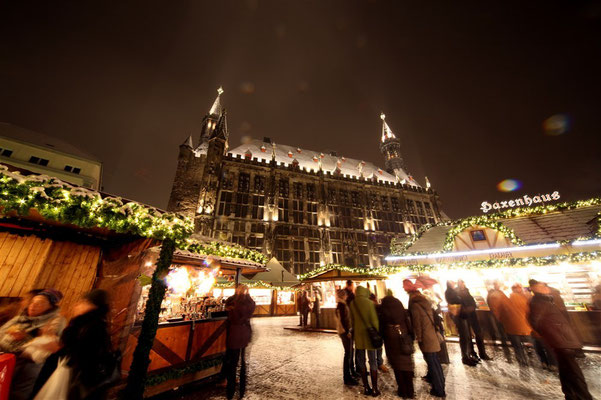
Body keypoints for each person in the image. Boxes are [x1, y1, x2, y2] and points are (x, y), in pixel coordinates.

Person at [32, 289, 118, 400]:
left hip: (74, 382)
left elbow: (86, 356)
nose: (77, 305)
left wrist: (59, 349)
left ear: (93, 306)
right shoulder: (82, 324)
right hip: (67, 377)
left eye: (83, 302)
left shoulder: (94, 327)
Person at [528, 281, 593, 400]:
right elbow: (535, 322)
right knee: (574, 372)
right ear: (537, 289)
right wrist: (554, 333)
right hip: (561, 341)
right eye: (544, 286)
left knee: (566, 371)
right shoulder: (538, 302)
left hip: (562, 340)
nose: (547, 288)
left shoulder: (546, 301)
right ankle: (584, 396)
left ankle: (571, 394)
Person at [0, 289, 65, 400]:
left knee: (16, 394)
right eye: (32, 302)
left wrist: (25, 336)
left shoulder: (56, 320)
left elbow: (49, 344)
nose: (33, 306)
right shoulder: (20, 317)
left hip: (28, 364)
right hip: (6, 358)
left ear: (50, 307)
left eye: (39, 303)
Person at [405, 280, 445, 398]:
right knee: (435, 362)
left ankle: (439, 389)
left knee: (432, 363)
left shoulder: (415, 305)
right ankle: (440, 384)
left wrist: (419, 338)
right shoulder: (425, 302)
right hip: (432, 335)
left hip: (426, 338)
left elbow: (417, 323)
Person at [380, 289, 415, 399]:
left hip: (391, 341)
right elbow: (409, 322)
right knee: (407, 364)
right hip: (404, 337)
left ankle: (403, 390)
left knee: (397, 366)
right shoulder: (401, 309)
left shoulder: (384, 312)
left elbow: (381, 328)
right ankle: (410, 390)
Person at [223, 284, 256, 400]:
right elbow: (251, 310)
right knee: (243, 362)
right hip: (245, 332)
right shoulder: (249, 302)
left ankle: (230, 390)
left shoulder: (234, 302)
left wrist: (230, 309)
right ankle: (241, 390)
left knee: (233, 362)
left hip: (235, 332)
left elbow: (230, 312)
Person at [488, 281, 531, 365]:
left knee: (517, 345)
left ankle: (521, 361)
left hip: (512, 326)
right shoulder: (523, 297)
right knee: (527, 342)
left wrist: (502, 319)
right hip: (524, 325)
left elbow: (500, 310)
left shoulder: (507, 297)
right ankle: (527, 359)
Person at [350, 285, 381, 396]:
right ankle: (375, 389)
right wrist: (377, 333)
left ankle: (366, 388)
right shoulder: (369, 303)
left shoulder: (352, 304)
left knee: (361, 363)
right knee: (373, 362)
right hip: (370, 337)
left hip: (359, 338)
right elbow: (374, 321)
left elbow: (351, 321)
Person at [457, 279, 491, 361]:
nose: (462, 284)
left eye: (463, 283)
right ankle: (472, 353)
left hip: (472, 316)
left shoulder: (467, 292)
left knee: (478, 334)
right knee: (468, 337)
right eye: (461, 283)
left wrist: (471, 307)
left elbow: (473, 303)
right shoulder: (456, 294)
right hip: (464, 317)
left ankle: (482, 353)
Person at [444, 281, 477, 366]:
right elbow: (454, 300)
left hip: (463, 315)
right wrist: (460, 298)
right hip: (459, 316)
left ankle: (468, 355)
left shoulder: (453, 291)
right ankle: (465, 357)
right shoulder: (449, 292)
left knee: (466, 336)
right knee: (464, 336)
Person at [334, 289, 358, 386]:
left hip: (343, 332)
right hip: (344, 332)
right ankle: (347, 377)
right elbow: (344, 320)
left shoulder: (340, 305)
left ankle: (349, 375)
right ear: (342, 296)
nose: (346, 296)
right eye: (345, 295)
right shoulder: (342, 305)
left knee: (348, 353)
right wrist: (348, 331)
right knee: (348, 354)